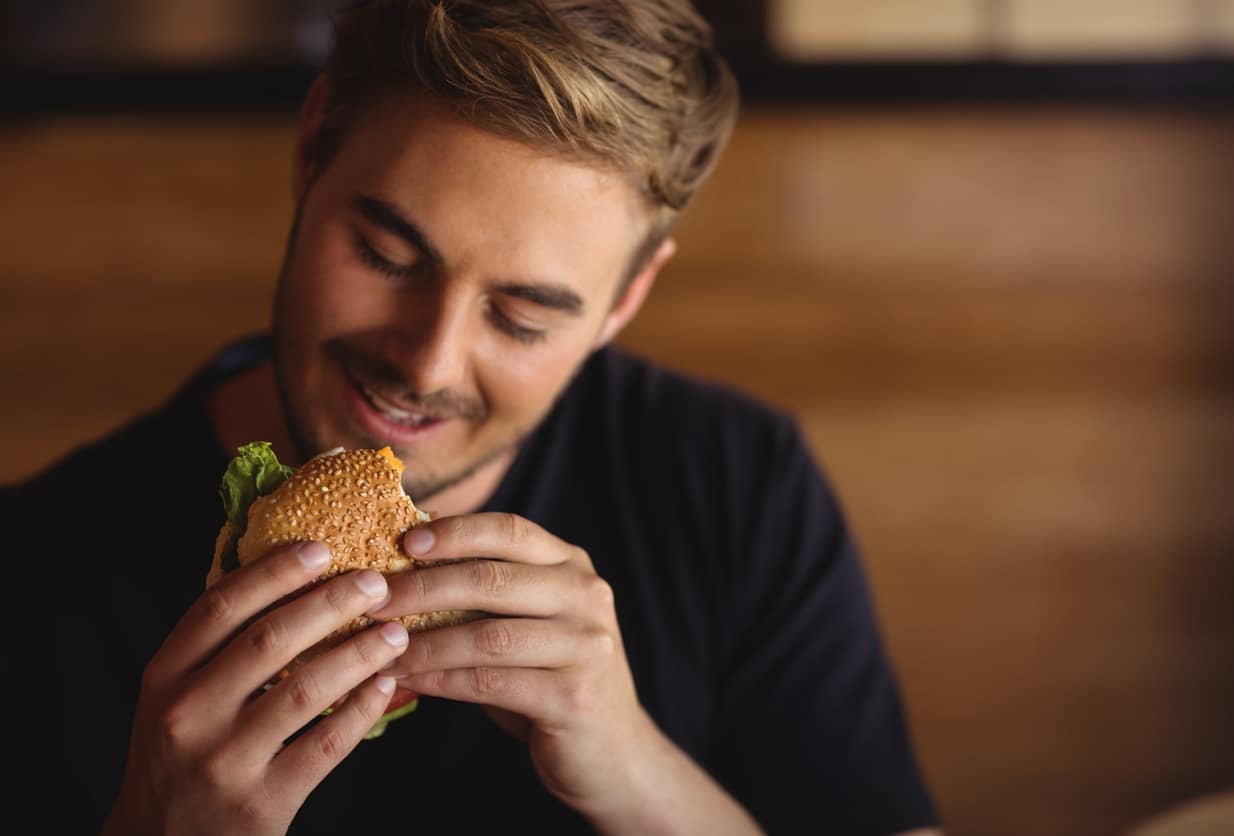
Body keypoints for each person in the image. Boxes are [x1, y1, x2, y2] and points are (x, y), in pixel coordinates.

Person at [3, 1, 940, 834]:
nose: (427, 363)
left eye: (521, 317)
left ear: (624, 300)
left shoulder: (736, 484)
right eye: (387, 255)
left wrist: (635, 773)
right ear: (311, 151)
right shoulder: (36, 570)